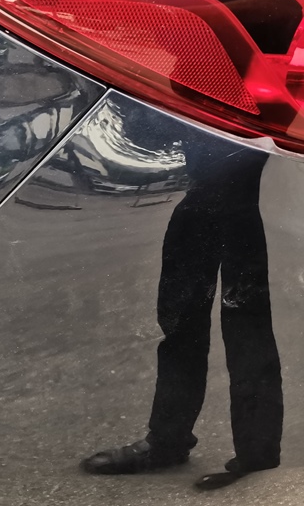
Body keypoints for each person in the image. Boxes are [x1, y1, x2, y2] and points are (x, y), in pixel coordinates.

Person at [82, 131, 283, 490]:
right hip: (201, 192)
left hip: (249, 195)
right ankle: (168, 440)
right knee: (179, 324)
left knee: (247, 331)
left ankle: (257, 458)